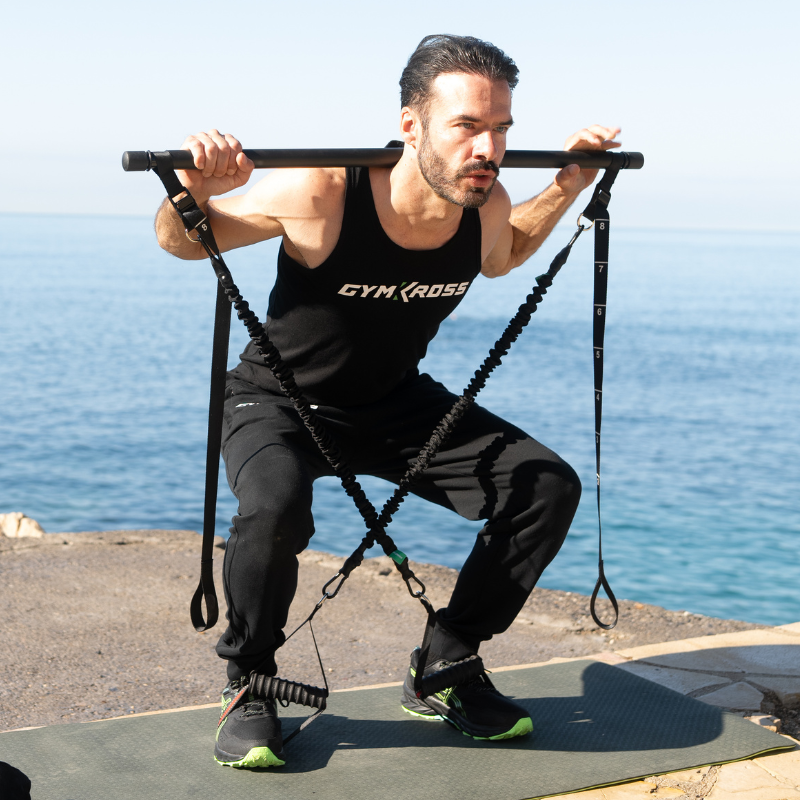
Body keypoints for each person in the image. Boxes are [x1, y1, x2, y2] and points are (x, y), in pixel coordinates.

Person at [155, 34, 621, 769]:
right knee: (274, 507)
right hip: (279, 402)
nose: (489, 148)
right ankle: (248, 679)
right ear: (411, 126)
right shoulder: (322, 191)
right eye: (467, 126)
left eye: (501, 129)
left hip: (394, 404)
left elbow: (504, 254)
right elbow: (185, 242)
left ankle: (446, 660)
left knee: (546, 487)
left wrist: (568, 184)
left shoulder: (483, 203)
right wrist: (194, 190)